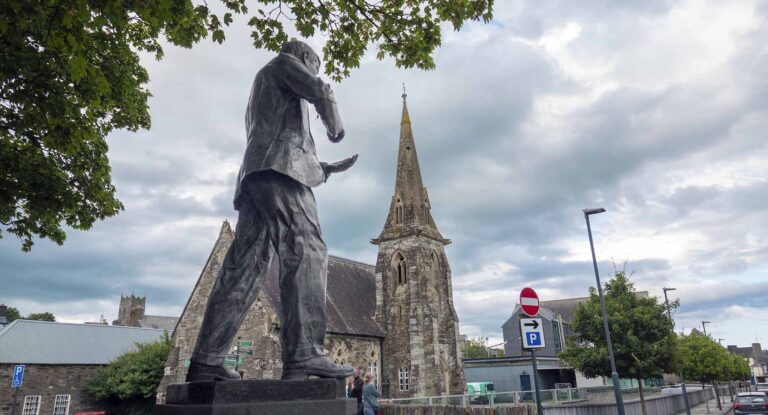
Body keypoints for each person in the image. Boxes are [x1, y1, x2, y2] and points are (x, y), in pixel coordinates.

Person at [185, 39, 357, 382]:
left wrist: (322, 169)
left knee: (245, 267)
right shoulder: (282, 65)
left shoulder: (266, 84)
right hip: (279, 172)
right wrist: (336, 127)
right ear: (306, 57)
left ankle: (205, 362)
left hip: (258, 177)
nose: (313, 72)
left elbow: (281, 137)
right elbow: (322, 91)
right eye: (315, 65)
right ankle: (305, 353)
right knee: (308, 249)